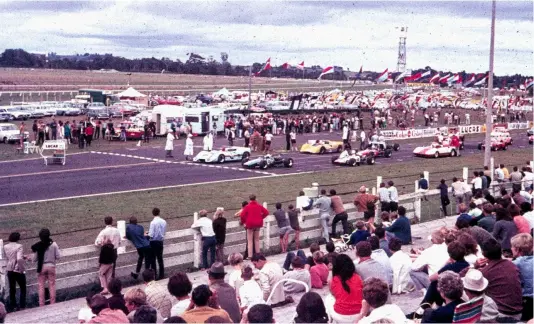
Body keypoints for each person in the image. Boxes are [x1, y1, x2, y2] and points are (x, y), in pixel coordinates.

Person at [477, 238, 523, 319]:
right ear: (501, 251)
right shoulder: (512, 265)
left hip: (502, 314)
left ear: (484, 254)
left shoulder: (485, 272)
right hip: (518, 312)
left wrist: (475, 266)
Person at [325, 254, 363, 323]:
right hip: (359, 313)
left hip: (341, 315)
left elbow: (333, 294)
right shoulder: (358, 278)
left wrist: (330, 270)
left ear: (336, 266)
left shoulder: (334, 280)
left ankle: (330, 320)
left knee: (328, 298)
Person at [31, 228, 61, 307]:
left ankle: (41, 304)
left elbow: (34, 259)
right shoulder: (54, 244)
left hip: (42, 267)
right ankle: (53, 303)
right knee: (52, 285)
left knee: (41, 285)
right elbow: (58, 256)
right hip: (51, 266)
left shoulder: (39, 246)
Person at [510, 233, 533, 321]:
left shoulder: (515, 264)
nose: (511, 248)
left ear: (517, 249)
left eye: (512, 247)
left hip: (525, 300)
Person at [4, 232, 26, 311]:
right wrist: (22, 269)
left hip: (9, 268)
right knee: (23, 287)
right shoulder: (19, 246)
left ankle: (13, 306)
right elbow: (19, 259)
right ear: (17, 238)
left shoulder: (5, 246)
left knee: (12, 288)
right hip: (17, 269)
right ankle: (22, 305)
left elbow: (10, 256)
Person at [148, 208, 167, 280]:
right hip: (160, 241)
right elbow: (164, 231)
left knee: (153, 260)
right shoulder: (163, 221)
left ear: (153, 214)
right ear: (159, 213)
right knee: (160, 258)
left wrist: (147, 234)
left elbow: (151, 234)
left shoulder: (153, 223)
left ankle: (154, 275)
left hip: (153, 242)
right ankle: (161, 275)